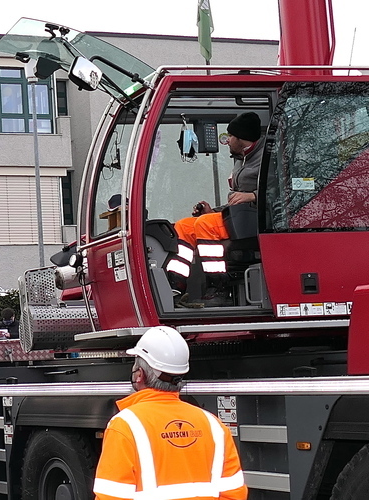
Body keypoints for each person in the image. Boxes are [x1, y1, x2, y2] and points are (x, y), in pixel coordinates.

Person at [93, 326, 247, 500]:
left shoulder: (125, 426)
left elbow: (111, 497)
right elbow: (234, 494)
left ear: (139, 375)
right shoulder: (214, 426)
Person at [167, 112, 264, 307]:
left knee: (205, 224)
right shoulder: (241, 159)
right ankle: (176, 286)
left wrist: (253, 195)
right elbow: (235, 199)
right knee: (185, 226)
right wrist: (214, 211)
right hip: (239, 216)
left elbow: (282, 191)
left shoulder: (268, 157)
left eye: (230, 137)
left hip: (259, 218)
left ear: (240, 138)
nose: (227, 141)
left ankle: (219, 286)